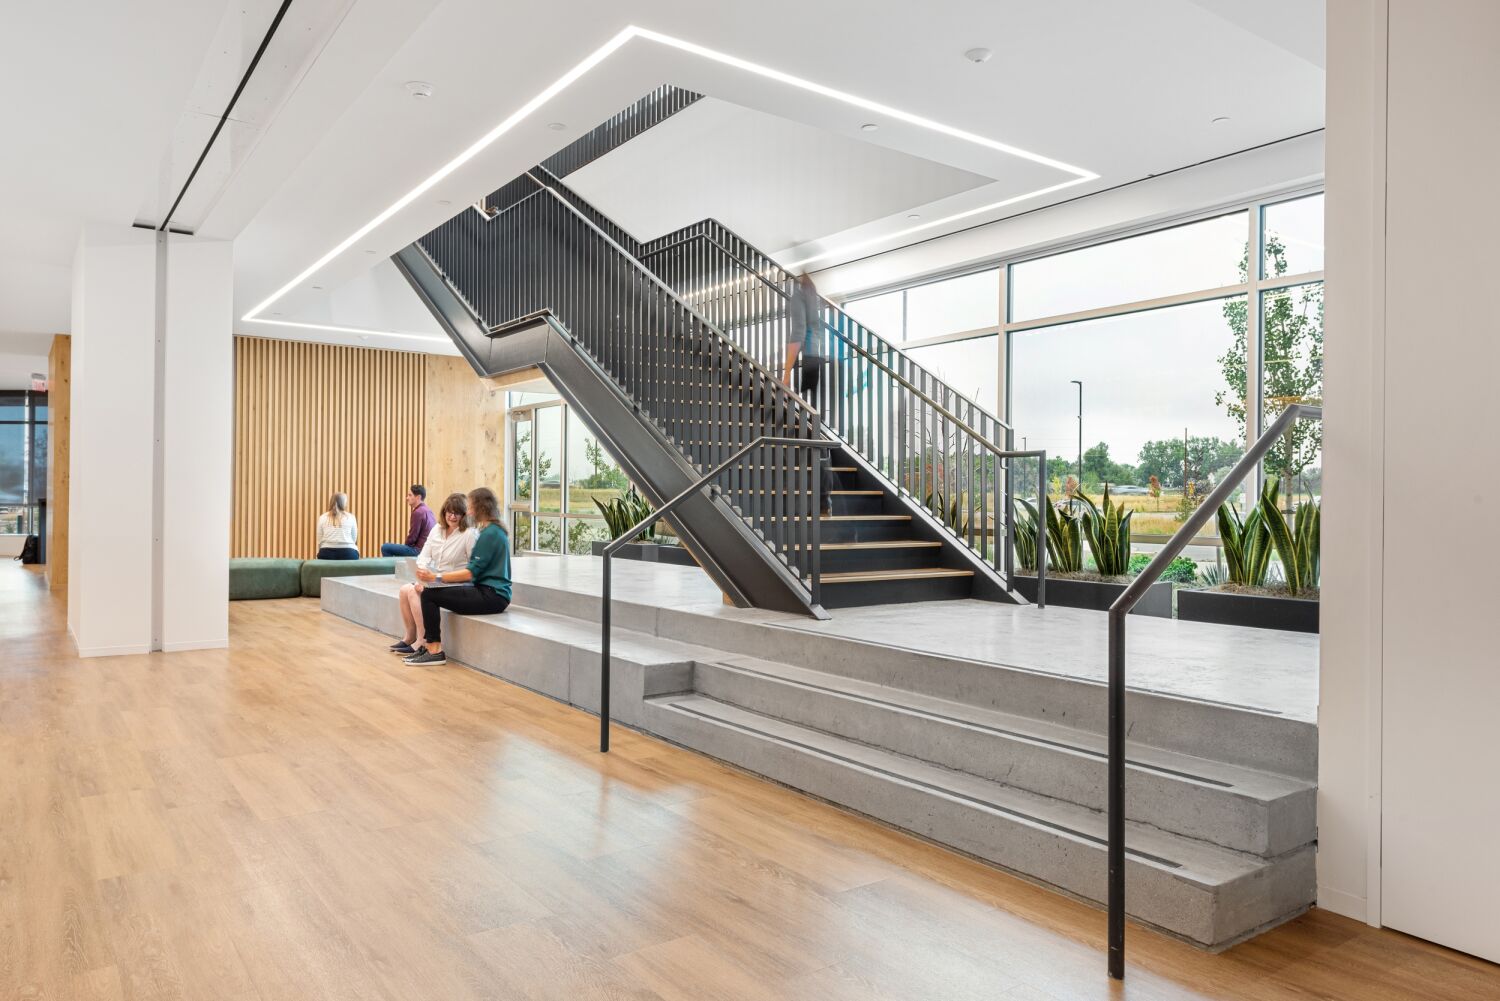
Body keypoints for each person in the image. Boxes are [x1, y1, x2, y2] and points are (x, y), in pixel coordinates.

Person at [404, 487, 511, 666]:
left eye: (469, 507)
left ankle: (434, 650)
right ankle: (429, 646)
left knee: (429, 595)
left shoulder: (488, 534)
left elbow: (470, 572)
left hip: (492, 595)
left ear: (480, 507)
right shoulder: (494, 531)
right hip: (491, 592)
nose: (468, 511)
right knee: (430, 592)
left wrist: (436, 578)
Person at [388, 493, 476, 656]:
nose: (452, 516)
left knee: (415, 591)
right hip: (436, 579)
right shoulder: (437, 529)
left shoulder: (468, 534)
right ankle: (409, 637)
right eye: (449, 512)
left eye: (457, 512)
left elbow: (473, 567)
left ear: (464, 515)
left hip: (455, 582)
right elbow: (424, 556)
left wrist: (431, 580)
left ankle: (422, 640)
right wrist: (421, 574)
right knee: (404, 589)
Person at [781, 272, 837, 516]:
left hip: (807, 365)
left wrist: (785, 374)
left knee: (808, 431)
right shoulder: (813, 298)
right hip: (818, 365)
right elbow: (813, 331)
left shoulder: (797, 297)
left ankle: (821, 499)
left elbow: (798, 332)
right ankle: (824, 501)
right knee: (817, 433)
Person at [381, 484, 435, 557]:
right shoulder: (428, 510)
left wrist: (405, 547)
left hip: (419, 551)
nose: (407, 498)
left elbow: (413, 536)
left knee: (385, 547)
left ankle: (392, 569)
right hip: (428, 551)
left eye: (410, 495)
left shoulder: (418, 512)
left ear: (418, 497)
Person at [315, 493, 359, 559]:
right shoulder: (351, 517)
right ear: (343, 503)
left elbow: (319, 539)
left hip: (326, 553)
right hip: (349, 553)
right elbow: (354, 538)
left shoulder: (322, 517)